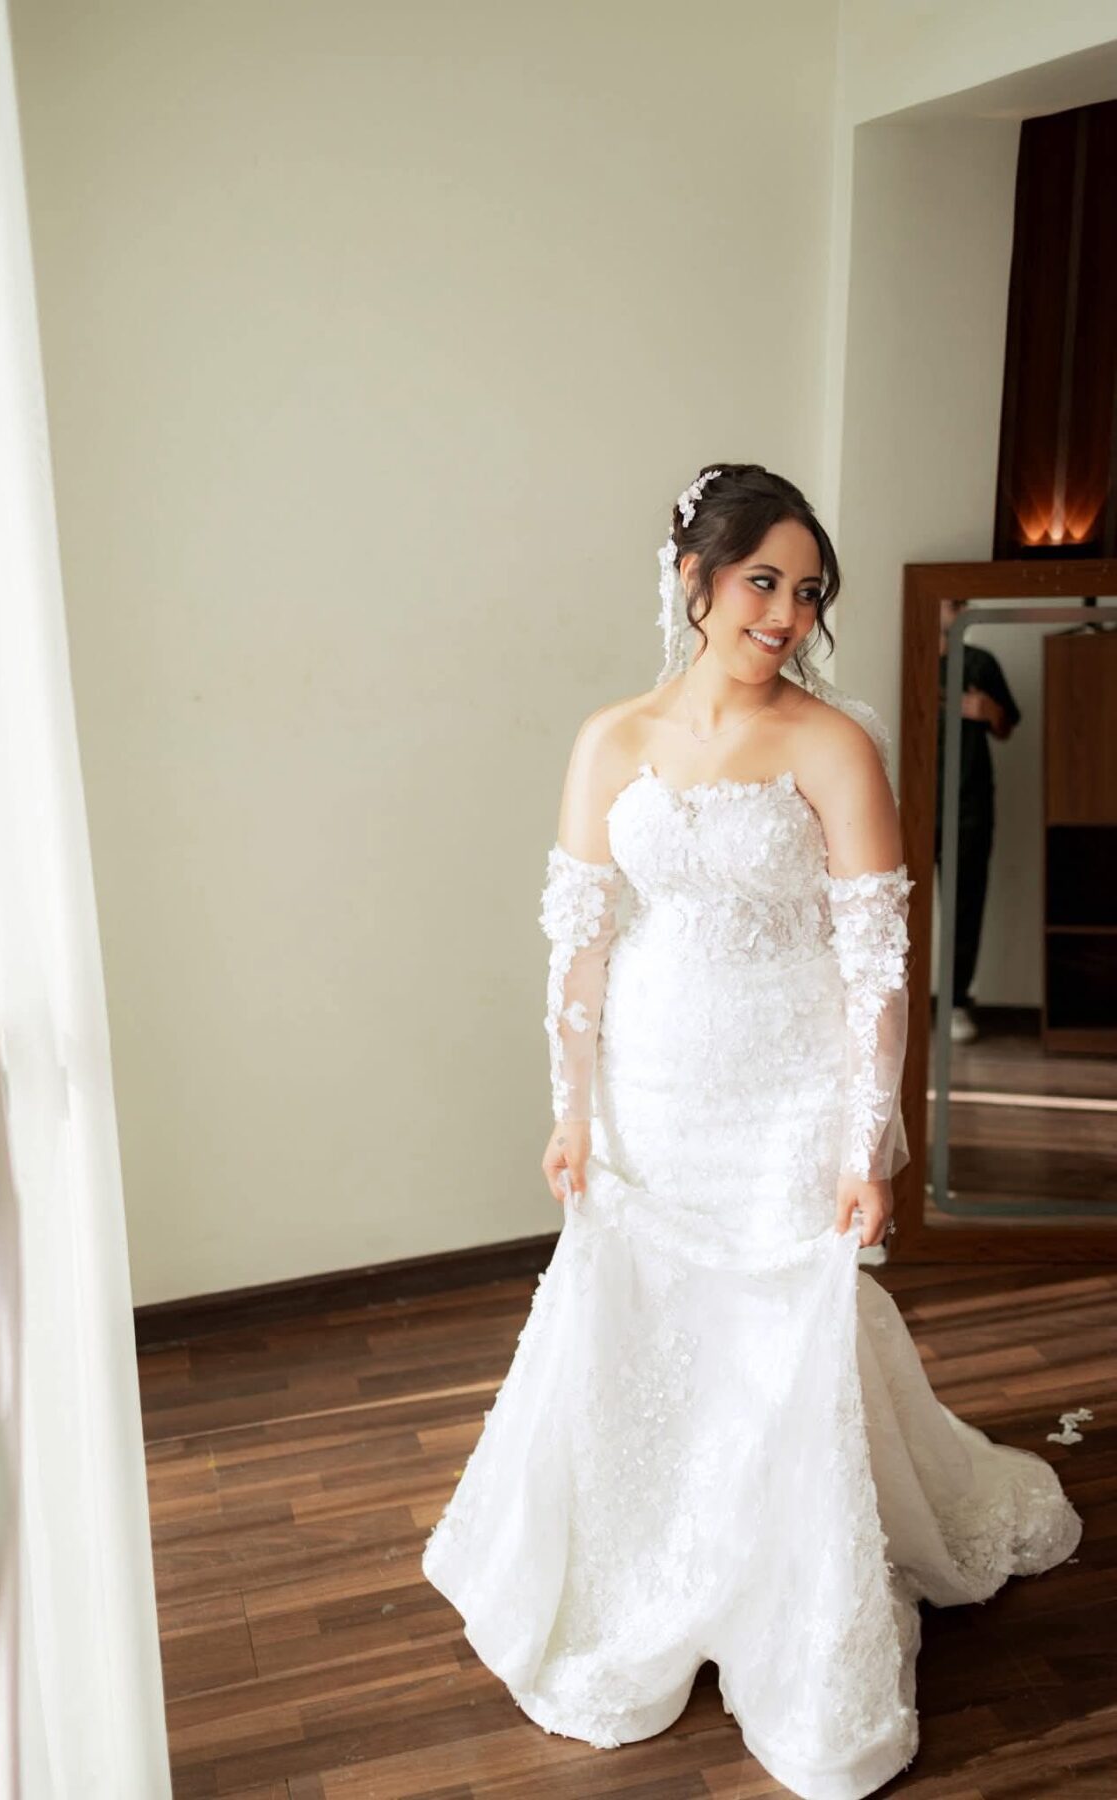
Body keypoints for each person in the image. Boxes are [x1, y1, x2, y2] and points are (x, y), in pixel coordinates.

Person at [421, 464, 1081, 1800]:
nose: (786, 615)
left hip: (787, 1092)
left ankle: (792, 1616)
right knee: (654, 1331)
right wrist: (569, 1110)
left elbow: (876, 963)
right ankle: (649, 1578)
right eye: (763, 582)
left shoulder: (831, 746)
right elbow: (578, 942)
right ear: (695, 578)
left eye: (808, 591)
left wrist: (862, 1144)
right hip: (651, 1092)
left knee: (782, 1339)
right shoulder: (610, 740)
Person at [935, 598, 1021, 1043]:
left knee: (964, 904)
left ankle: (954, 1001)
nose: (959, 609)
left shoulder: (980, 663)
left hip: (969, 801)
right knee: (895, 905)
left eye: (962, 603)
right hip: (912, 799)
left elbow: (1007, 726)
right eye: (952, 602)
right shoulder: (911, 656)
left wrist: (988, 710)